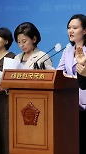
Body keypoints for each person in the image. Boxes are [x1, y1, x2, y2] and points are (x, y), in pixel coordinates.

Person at [56, 14, 86, 154]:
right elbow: (59, 73)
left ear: (84, 31)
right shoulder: (67, 50)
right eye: (69, 28)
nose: (70, 31)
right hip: (69, 103)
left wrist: (75, 75)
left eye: (75, 28)